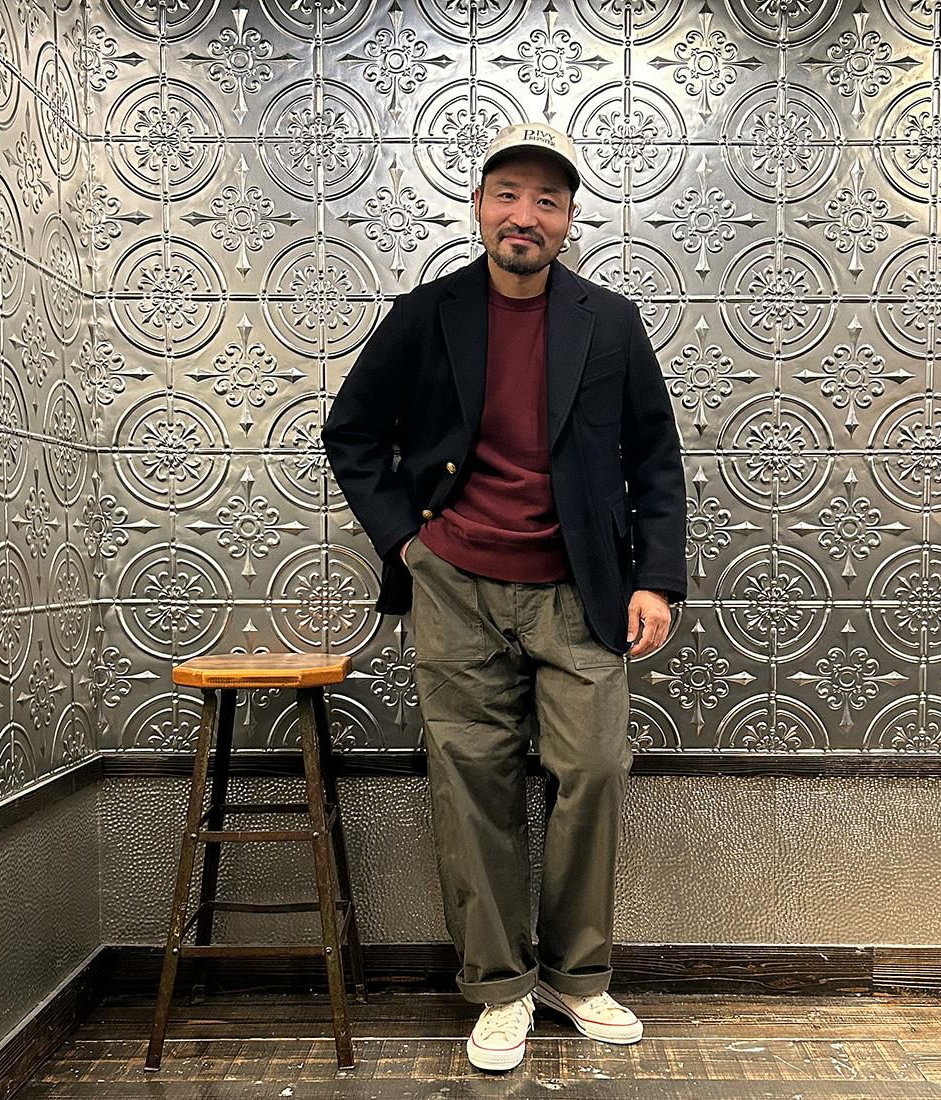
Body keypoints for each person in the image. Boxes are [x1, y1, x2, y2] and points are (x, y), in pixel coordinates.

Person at [322, 122, 686, 1073]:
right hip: (457, 589)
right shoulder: (426, 313)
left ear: (568, 220)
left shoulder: (611, 322)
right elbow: (352, 431)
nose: (526, 215)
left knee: (593, 769)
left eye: (547, 201)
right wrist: (408, 543)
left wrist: (656, 578)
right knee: (471, 781)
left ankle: (577, 975)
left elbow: (653, 454)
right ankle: (498, 987)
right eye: (509, 195)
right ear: (480, 207)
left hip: (580, 589)